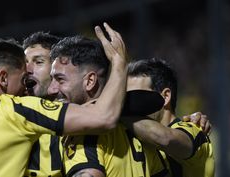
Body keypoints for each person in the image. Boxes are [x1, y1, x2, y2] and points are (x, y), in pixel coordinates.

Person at [0, 24, 130, 177]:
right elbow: (104, 116)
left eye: (39, 62)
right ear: (3, 77)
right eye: (24, 78)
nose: (27, 83)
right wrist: (119, 62)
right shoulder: (16, 109)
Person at [47, 33, 168, 176]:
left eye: (60, 80)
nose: (51, 89)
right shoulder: (139, 128)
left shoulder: (84, 131)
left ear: (90, 81)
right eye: (51, 79)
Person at [125, 58, 215, 177]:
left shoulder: (194, 128)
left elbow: (165, 138)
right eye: (127, 98)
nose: (131, 104)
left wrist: (118, 114)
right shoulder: (138, 136)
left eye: (137, 96)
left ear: (165, 97)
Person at [22, 32, 64, 176]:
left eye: (38, 62)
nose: (27, 69)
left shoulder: (76, 113)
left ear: (56, 68)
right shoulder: (10, 109)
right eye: (25, 62)